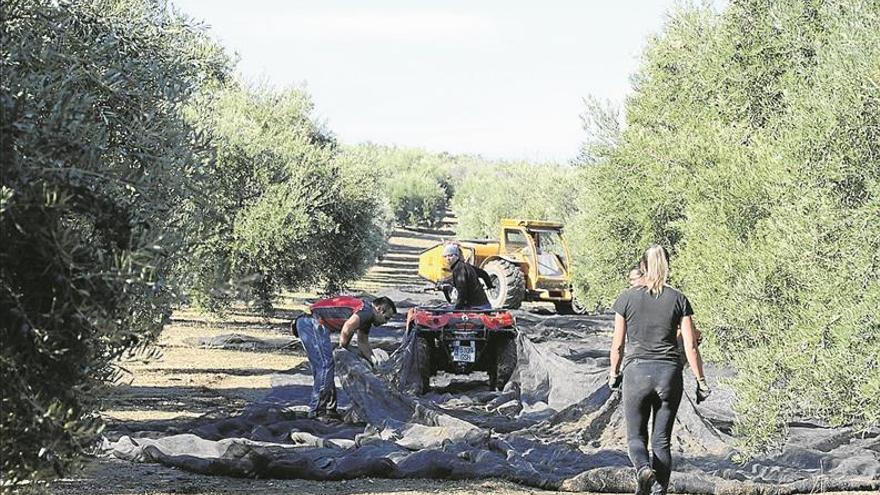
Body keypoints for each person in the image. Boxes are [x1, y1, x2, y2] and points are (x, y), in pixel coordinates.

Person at [608, 245, 710, 495]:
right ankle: (658, 491)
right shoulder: (678, 299)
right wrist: (701, 381)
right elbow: (691, 346)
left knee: (635, 437)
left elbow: (618, 344)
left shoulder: (626, 298)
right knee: (662, 441)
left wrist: (614, 373)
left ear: (642, 268)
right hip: (669, 375)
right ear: (668, 266)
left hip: (636, 373)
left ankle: (643, 470)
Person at [294, 295, 397, 420]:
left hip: (311, 322)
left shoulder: (367, 315)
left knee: (324, 367)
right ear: (380, 309)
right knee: (325, 366)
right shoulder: (366, 312)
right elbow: (347, 329)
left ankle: (329, 409)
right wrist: (342, 349)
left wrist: (374, 361)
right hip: (311, 322)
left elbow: (363, 342)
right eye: (386, 318)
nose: (385, 322)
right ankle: (317, 411)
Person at [442, 243, 492, 310]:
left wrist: (456, 309)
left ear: (457, 256)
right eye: (445, 256)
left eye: (451, 255)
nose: (448, 258)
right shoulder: (466, 266)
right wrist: (490, 285)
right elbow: (483, 274)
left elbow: (462, 292)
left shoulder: (459, 269)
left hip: (476, 308)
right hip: (485, 305)